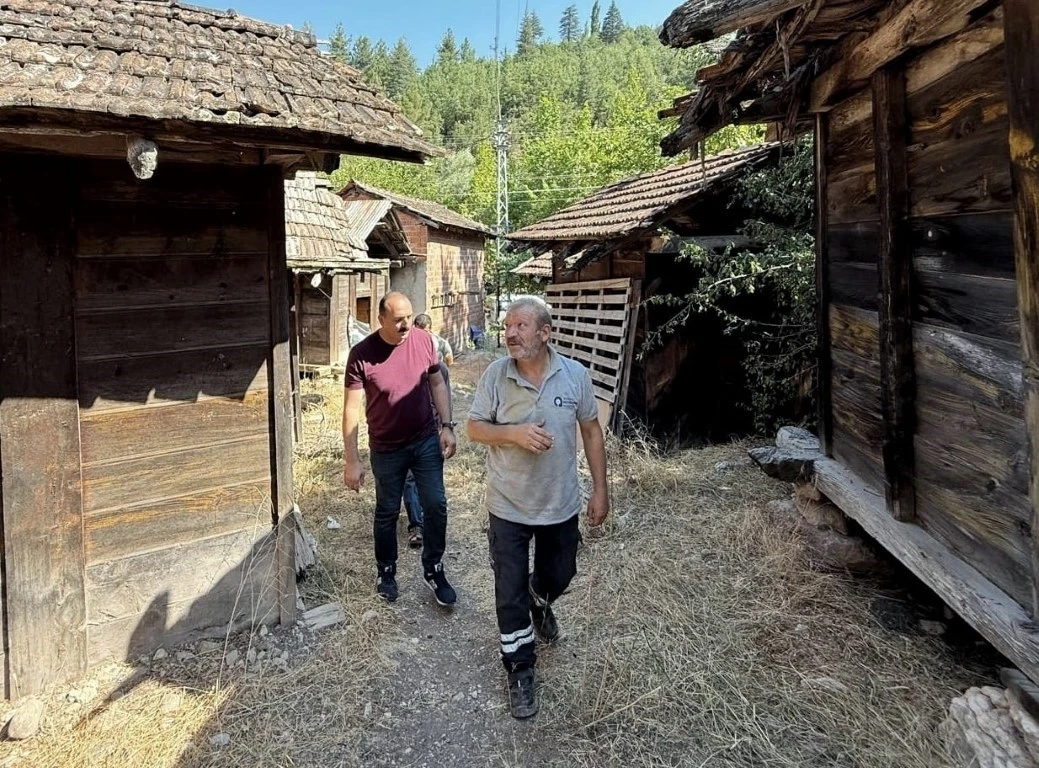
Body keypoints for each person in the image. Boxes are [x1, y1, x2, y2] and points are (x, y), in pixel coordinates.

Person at [467, 296, 609, 719]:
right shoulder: (496, 375)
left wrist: (600, 490)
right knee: (508, 592)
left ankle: (539, 598)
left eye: (521, 326)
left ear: (545, 333)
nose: (510, 334)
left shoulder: (574, 376)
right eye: (507, 326)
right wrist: (514, 433)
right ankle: (520, 669)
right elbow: (474, 427)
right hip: (508, 503)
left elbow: (592, 432)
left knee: (560, 573)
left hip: (559, 501)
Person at [343, 291, 458, 606]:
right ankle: (386, 571)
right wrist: (351, 459)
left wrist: (447, 426)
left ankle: (433, 568)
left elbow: (437, 382)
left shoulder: (424, 340)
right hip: (386, 447)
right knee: (387, 511)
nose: (406, 325)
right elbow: (351, 409)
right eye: (397, 320)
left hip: (424, 440)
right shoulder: (362, 354)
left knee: (436, 504)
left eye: (408, 317)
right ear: (380, 319)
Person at [401, 313, 455, 549]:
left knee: (430, 481)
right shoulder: (404, 363)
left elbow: (446, 398)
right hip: (407, 432)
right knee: (410, 479)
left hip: (431, 431)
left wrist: (447, 427)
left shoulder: (440, 368)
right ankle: (416, 525)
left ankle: (429, 524)